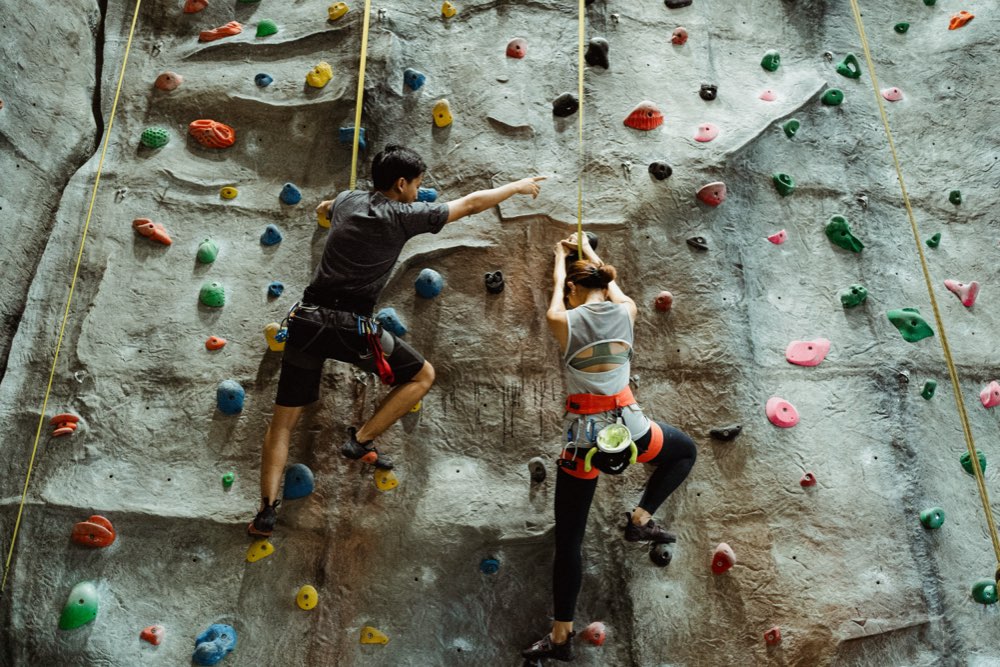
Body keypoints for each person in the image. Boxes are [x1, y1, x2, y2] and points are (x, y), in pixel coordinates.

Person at [248, 145, 545, 537]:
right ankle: (360, 438)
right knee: (422, 375)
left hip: (308, 321)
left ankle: (266, 512)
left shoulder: (349, 200)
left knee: (283, 423)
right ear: (401, 184)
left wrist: (329, 213)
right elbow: (471, 204)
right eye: (417, 184)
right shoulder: (404, 216)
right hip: (353, 328)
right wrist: (518, 186)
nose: (419, 191)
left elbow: (323, 209)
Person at [521, 233, 697, 662]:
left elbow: (560, 298)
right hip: (633, 431)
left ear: (572, 290)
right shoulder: (628, 311)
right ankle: (640, 518)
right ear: (604, 282)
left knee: (570, 542)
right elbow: (614, 289)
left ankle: (561, 637)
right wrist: (590, 251)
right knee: (684, 450)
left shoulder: (561, 320)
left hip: (585, 444)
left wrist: (560, 258)